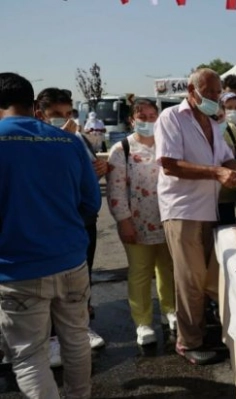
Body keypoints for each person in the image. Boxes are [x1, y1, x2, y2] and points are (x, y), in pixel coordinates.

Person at [0, 72, 99, 399]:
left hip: (17, 269)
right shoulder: (68, 141)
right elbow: (91, 203)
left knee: (29, 355)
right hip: (71, 261)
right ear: (33, 105)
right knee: (76, 339)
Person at [155, 68, 236, 365]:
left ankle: (201, 331)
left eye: (217, 92)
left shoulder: (212, 124)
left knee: (209, 276)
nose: (215, 98)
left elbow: (226, 159)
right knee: (189, 278)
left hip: (206, 208)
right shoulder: (172, 118)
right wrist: (217, 172)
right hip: (182, 209)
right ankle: (189, 342)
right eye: (209, 92)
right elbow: (170, 165)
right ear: (191, 89)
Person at [35, 88, 107, 353]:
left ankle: (80, 327)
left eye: (67, 114)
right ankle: (52, 337)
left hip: (83, 220)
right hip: (54, 224)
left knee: (82, 276)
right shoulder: (34, 144)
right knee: (52, 283)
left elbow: (87, 179)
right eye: (56, 115)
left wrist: (100, 170)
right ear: (40, 114)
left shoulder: (78, 140)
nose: (64, 120)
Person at [106, 99, 176, 346]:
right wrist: (124, 222)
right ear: (132, 120)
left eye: (152, 116)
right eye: (142, 117)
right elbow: (115, 192)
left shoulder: (167, 144)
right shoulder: (121, 149)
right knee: (140, 273)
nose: (148, 121)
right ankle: (143, 323)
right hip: (137, 224)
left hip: (167, 221)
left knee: (168, 270)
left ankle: (170, 311)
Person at [217, 92, 236, 225]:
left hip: (229, 195)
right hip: (206, 198)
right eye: (229, 107)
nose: (233, 111)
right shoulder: (202, 130)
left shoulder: (231, 129)